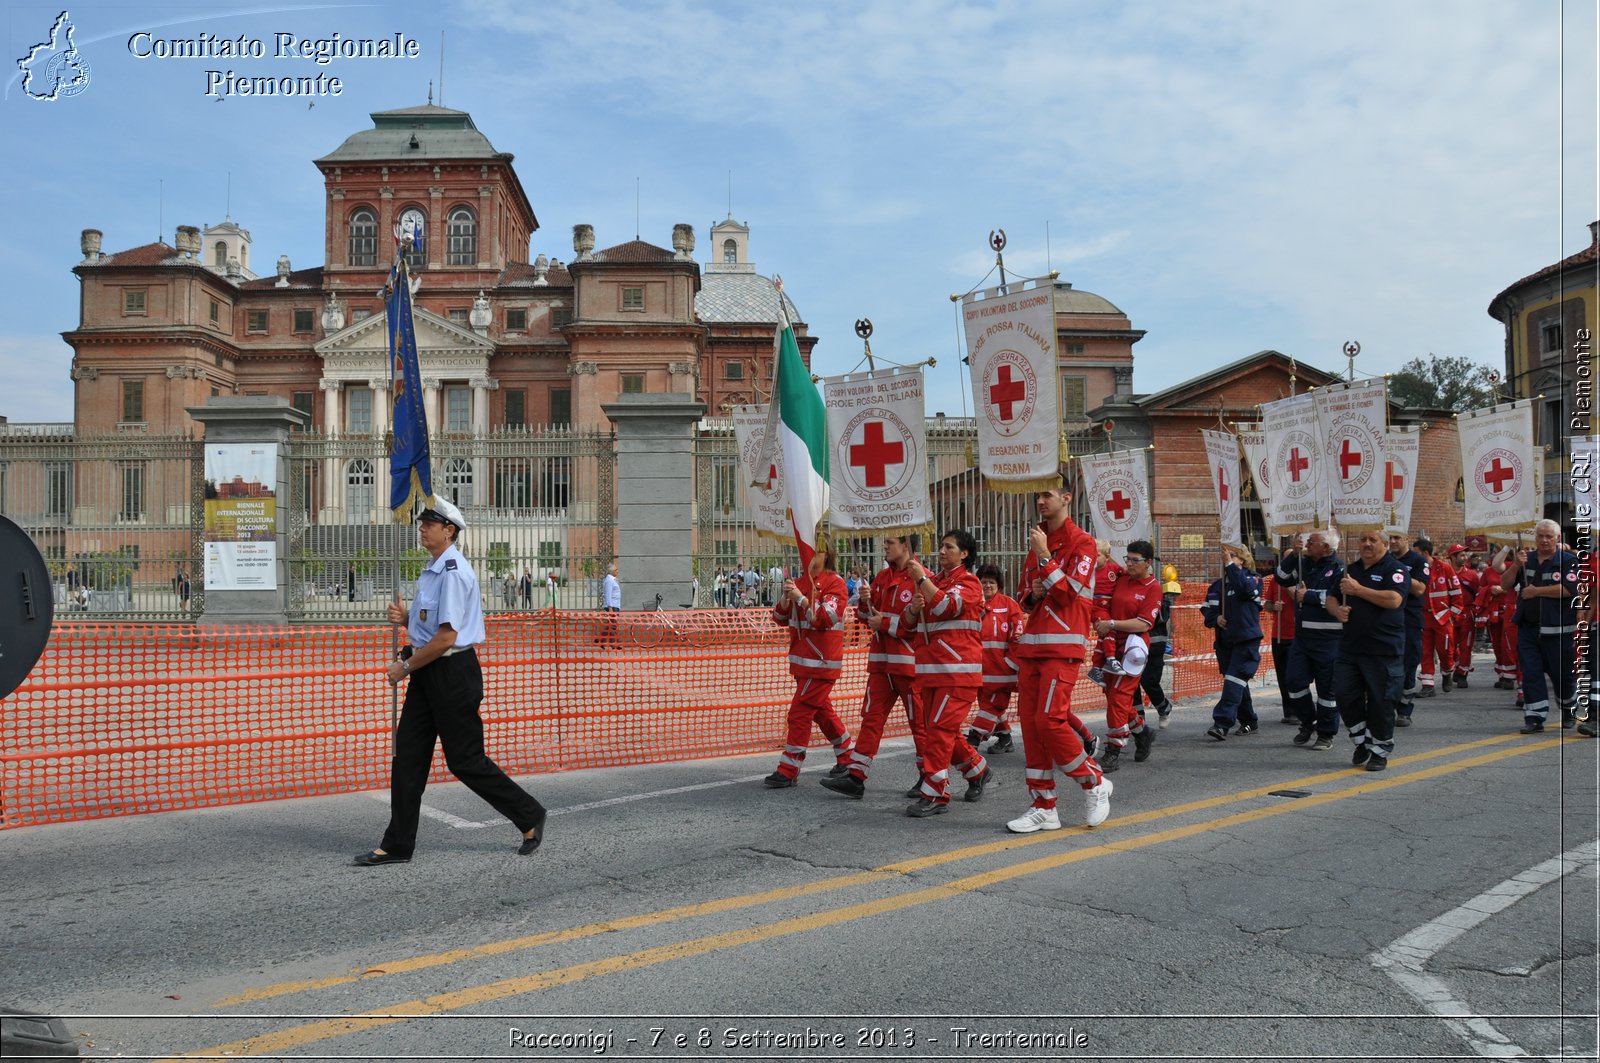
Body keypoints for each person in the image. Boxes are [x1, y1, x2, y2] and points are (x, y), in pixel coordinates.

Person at [354, 497, 546, 866]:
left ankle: (529, 814)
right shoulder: (434, 569)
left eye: (430, 523)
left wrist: (403, 668)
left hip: (453, 674)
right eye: (422, 522)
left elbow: (447, 638)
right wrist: (408, 620)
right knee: (407, 757)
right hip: (429, 672)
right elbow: (431, 629)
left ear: (450, 531)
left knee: (466, 760)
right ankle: (397, 844)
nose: (422, 527)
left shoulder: (455, 572)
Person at [1007, 482, 1112, 833]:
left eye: (1047, 495)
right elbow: (1025, 596)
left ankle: (1094, 781)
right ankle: (1044, 806)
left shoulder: (1082, 542)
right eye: (1036, 496)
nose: (1040, 501)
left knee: (1051, 721)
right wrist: (1033, 594)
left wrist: (1045, 558)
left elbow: (1069, 595)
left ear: (1066, 498)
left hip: (1063, 646)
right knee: (1032, 726)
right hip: (1032, 648)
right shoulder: (1038, 543)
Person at [822, 535, 925, 799]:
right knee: (871, 719)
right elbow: (868, 618)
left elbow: (920, 624)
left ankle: (930, 775)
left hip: (910, 667)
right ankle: (856, 777)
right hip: (881, 664)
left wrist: (884, 624)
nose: (885, 546)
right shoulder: (880, 578)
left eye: (890, 542)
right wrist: (865, 604)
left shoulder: (922, 578)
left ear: (906, 546)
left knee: (920, 724)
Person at [899, 530, 993, 817]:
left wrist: (921, 580)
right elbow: (907, 625)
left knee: (938, 732)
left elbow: (945, 605)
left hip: (958, 673)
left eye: (948, 547)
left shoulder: (969, 583)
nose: (941, 551)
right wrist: (913, 611)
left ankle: (936, 793)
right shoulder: (935, 582)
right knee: (943, 732)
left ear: (964, 553)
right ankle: (977, 770)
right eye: (940, 546)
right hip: (931, 671)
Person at [764, 542, 854, 787]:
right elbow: (780, 619)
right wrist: (785, 598)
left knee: (800, 712)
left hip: (822, 661)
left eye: (816, 551)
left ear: (827, 555)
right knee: (822, 711)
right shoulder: (800, 582)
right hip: (802, 661)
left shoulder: (835, 583)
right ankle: (846, 755)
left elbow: (825, 618)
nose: (809, 556)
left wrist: (802, 599)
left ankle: (789, 767)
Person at [1327, 528, 1407, 771]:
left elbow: (1394, 600)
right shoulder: (1350, 570)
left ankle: (1380, 750)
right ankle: (1362, 741)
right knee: (1343, 694)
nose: (1367, 544)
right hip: (1350, 648)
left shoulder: (1395, 569)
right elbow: (1331, 596)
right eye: (1363, 540)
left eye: (1373, 540)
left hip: (1383, 648)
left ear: (1384, 544)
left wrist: (1358, 590)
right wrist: (1336, 610)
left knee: (1381, 702)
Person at [1502, 519, 1579, 733]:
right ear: (1534, 537)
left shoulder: (1568, 561)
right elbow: (1504, 583)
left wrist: (1536, 592)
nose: (1544, 540)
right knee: (1531, 673)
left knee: (1562, 675)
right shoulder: (1526, 560)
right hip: (1529, 629)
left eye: (1549, 536)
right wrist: (1516, 564)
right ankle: (1534, 717)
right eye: (1540, 536)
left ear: (1557, 538)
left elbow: (1570, 589)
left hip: (1559, 630)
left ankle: (1568, 709)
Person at [1092, 541, 1162, 771]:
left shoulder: (1153, 588)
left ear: (1148, 563)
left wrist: (1111, 623)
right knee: (1112, 693)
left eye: (1135, 560)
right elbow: (1106, 561)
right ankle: (1142, 733)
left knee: (1119, 698)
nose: (1129, 564)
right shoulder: (1121, 576)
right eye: (1127, 559)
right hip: (1111, 643)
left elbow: (1144, 623)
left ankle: (1114, 749)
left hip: (1133, 647)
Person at [1278, 530, 1345, 751]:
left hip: (1330, 639)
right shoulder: (1303, 562)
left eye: (1312, 541)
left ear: (1326, 547)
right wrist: (1292, 554)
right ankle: (1309, 722)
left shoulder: (1339, 568)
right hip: (1303, 639)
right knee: (1294, 682)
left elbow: (1339, 597)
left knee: (1327, 690)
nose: (1307, 543)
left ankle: (1326, 733)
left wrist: (1310, 596)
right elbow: (1280, 577)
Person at [1202, 545, 1263, 741]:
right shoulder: (1216, 587)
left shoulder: (1252, 579)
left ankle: (1222, 723)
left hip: (1246, 640)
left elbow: (1245, 590)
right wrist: (1216, 618)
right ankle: (1249, 720)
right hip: (1225, 642)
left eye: (1233, 555)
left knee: (1234, 680)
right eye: (1226, 555)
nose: (1226, 557)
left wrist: (1230, 565)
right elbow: (1207, 611)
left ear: (1243, 560)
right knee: (1236, 682)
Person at [965, 563, 1022, 754]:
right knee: (989, 706)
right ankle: (1005, 739)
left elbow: (1018, 638)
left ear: (998, 584)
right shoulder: (973, 605)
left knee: (992, 706)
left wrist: (1009, 664)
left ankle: (972, 740)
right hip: (979, 671)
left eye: (991, 582)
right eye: (983, 582)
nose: (987, 586)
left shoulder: (1009, 605)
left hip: (1002, 673)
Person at [1388, 532, 1429, 725]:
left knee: (1408, 664)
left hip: (1410, 620)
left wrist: (1399, 571)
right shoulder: (1384, 559)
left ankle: (1404, 709)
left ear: (1406, 539)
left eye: (1397, 537)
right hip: (1387, 620)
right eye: (1390, 538)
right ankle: (1385, 706)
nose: (1393, 541)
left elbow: (1420, 589)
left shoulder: (1418, 561)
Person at [1134, 564, 1181, 729]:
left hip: (1154, 645)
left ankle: (1164, 708)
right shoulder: (1131, 592)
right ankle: (1138, 718)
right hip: (1135, 644)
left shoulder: (1156, 592)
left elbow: (1160, 617)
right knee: (1131, 682)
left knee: (1149, 681)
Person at [1414, 538, 1459, 704]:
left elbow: (1456, 593)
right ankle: (1428, 685)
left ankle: (1447, 672)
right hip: (1423, 617)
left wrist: (1452, 615)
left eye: (1416, 553)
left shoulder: (1444, 568)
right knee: (1425, 652)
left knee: (1446, 651)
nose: (1413, 556)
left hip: (1442, 618)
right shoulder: (1417, 568)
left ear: (1425, 553)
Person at [1261, 547, 1297, 724]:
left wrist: (1290, 588)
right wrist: (1274, 607)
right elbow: (1266, 604)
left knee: (1294, 675)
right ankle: (1288, 711)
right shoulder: (1276, 581)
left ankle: (1299, 709)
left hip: (1296, 635)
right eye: (1285, 559)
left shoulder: (1301, 578)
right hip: (1278, 635)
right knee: (1282, 675)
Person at [1086, 539, 1125, 684]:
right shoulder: (1088, 572)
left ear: (1106, 557)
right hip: (1096, 606)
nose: (1093, 559)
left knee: (1103, 637)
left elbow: (1127, 574)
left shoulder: (1113, 569)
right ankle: (1110, 659)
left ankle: (1096, 668)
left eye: (1097, 555)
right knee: (1110, 629)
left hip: (1108, 606)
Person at [1449, 545, 1479, 688]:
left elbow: (1478, 594)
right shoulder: (1445, 574)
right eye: (1461, 555)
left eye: (1465, 555)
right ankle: (1455, 666)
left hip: (1467, 613)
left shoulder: (1472, 575)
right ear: (1453, 557)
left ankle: (1462, 674)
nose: (1465, 558)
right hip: (1450, 614)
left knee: (1466, 645)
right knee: (1450, 645)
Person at [600, 562, 621, 647]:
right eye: (616, 570)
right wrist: (610, 608)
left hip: (615, 605)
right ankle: (613, 644)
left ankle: (600, 640)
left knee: (611, 625)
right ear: (611, 571)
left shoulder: (612, 580)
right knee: (613, 625)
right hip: (612, 606)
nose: (617, 571)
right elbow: (608, 595)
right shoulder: (609, 581)